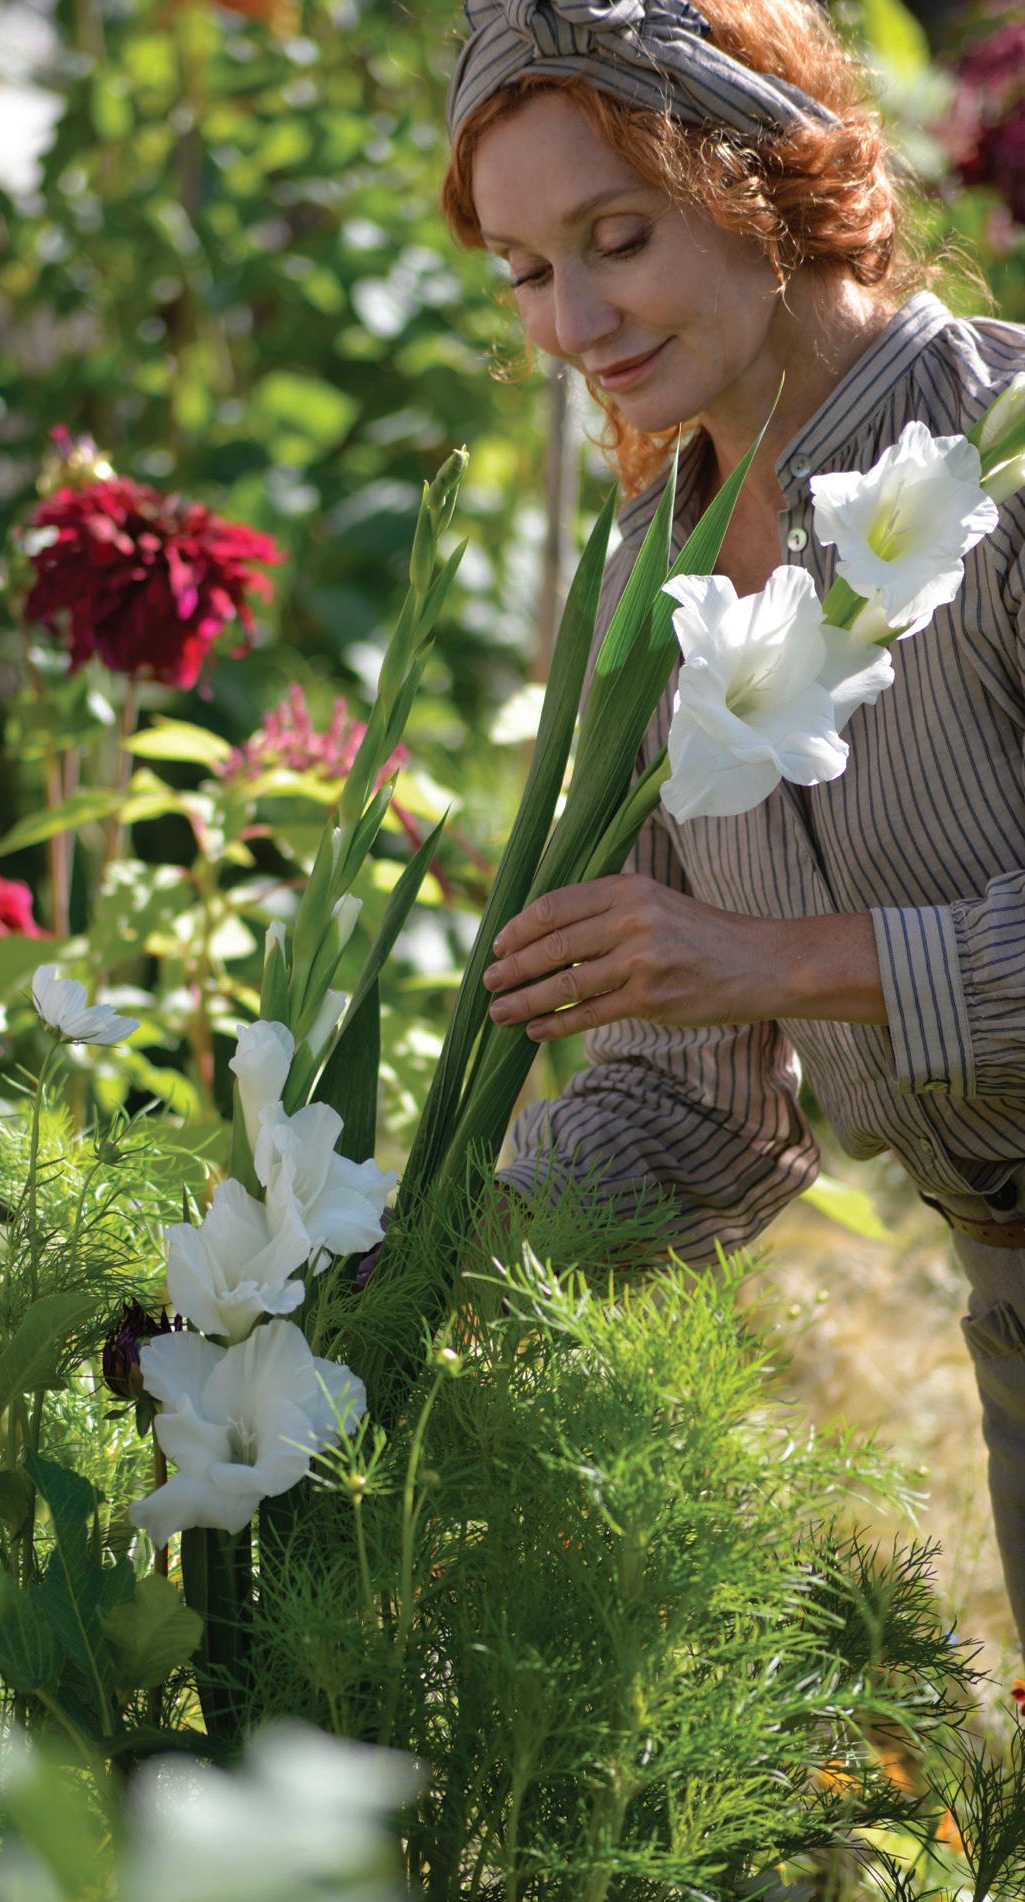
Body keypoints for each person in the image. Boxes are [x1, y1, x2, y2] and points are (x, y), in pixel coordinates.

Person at [440, 0, 1025, 1645]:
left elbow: (743, 966)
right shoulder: (654, 587)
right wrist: (417, 1256)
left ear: (763, 173)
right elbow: (690, 1103)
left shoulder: (1006, 463)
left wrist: (775, 957)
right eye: (523, 272)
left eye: (615, 238)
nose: (572, 322)